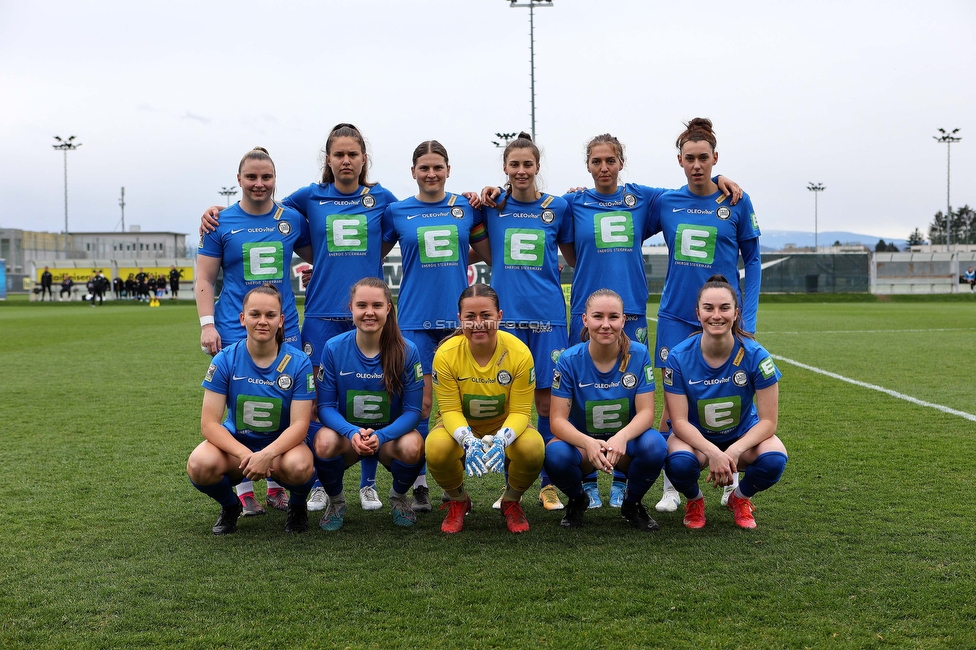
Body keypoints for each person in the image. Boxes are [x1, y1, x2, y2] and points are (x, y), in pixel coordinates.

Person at [201, 125, 399, 513]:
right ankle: (307, 484)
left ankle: (367, 484)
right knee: (292, 400)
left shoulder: (382, 198)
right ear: (328, 159)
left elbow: (395, 234)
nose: (346, 160)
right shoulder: (307, 198)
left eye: (353, 154)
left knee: (371, 396)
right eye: (338, 154)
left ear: (364, 159)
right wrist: (215, 211)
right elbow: (264, 209)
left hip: (362, 313)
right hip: (320, 315)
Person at [563, 133, 742, 509]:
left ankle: (625, 479)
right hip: (587, 309)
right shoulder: (572, 202)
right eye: (596, 161)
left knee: (630, 396)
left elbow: (694, 191)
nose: (604, 167)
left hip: (630, 311)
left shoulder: (645, 198)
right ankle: (590, 477)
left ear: (621, 162)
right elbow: (546, 221)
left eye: (610, 160)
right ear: (588, 165)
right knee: (583, 395)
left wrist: (722, 179)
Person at [196, 146, 314, 515]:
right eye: (252, 177)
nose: (259, 184)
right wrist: (206, 324)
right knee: (240, 406)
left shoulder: (291, 219)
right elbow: (204, 277)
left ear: (275, 180)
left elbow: (319, 254)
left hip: (285, 328)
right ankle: (245, 489)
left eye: (266, 177)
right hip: (236, 326)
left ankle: (278, 483)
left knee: (282, 403)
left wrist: (315, 276)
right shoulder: (220, 222)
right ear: (239, 180)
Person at [652, 118, 761, 514]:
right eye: (689, 158)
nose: (697, 164)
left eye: (704, 157)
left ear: (715, 158)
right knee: (673, 401)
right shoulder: (664, 201)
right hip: (676, 317)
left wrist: (746, 316)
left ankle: (730, 470)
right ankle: (671, 488)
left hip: (723, 317)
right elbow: (619, 203)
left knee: (729, 392)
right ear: (679, 160)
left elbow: (754, 260)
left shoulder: (736, 200)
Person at [381, 140, 490, 512]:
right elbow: (369, 252)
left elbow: (485, 249)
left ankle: (452, 483)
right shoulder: (397, 211)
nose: (431, 174)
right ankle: (423, 483)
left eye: (437, 167)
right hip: (413, 319)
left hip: (459, 321)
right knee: (423, 404)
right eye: (423, 168)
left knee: (456, 403)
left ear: (448, 169)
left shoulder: (466, 207)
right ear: (413, 171)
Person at [478, 132, 575, 511]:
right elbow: (475, 237)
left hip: (548, 317)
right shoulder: (491, 206)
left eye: (528, 164)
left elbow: (570, 255)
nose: (521, 171)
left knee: (549, 405)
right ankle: (511, 486)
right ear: (505, 168)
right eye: (514, 165)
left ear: (537, 167)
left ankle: (549, 485)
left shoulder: (559, 208)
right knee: (507, 404)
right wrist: (480, 194)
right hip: (506, 319)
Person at [186, 284, 317, 535]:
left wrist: (267, 454)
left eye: (270, 315)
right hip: (238, 446)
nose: (262, 321)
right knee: (199, 464)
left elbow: (300, 424)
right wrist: (248, 455)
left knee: (300, 466)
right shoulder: (225, 359)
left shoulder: (298, 362)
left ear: (281, 320)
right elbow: (209, 424)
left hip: (281, 449)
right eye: (255, 314)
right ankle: (230, 505)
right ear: (242, 319)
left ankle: (297, 506)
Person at [662, 275, 787, 530]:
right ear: (698, 313)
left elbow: (768, 422)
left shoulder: (756, 355)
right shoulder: (677, 357)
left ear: (736, 313)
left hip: (741, 436)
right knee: (677, 462)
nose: (716, 315)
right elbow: (679, 422)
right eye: (708, 308)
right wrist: (712, 452)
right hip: (695, 440)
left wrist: (732, 451)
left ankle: (739, 498)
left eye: (724, 308)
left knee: (775, 458)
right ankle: (695, 500)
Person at [426, 284, 544, 534]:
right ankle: (458, 500)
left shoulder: (520, 353)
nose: (478, 323)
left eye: (486, 315)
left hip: (505, 424)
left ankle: (511, 501)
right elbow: (449, 410)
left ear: (499, 316)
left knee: (533, 448)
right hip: (460, 425)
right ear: (460, 319)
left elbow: (522, 412)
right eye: (470, 317)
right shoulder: (445, 354)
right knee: (436, 448)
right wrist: (466, 439)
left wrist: (502, 439)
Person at [545, 289, 667, 530]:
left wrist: (621, 436)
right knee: (554, 454)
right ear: (585, 319)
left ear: (623, 320)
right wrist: (587, 442)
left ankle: (632, 503)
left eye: (613, 317)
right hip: (582, 447)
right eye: (598, 316)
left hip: (624, 446)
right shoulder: (569, 359)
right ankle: (578, 500)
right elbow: (557, 420)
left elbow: (646, 413)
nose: (605, 324)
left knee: (655, 445)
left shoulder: (639, 354)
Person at [312, 277, 426, 530]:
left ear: (388, 308)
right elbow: (325, 407)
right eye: (362, 305)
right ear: (351, 308)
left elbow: (414, 411)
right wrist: (351, 432)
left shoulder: (408, 350)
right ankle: (337, 502)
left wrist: (382, 436)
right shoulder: (333, 348)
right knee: (324, 441)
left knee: (413, 445)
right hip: (348, 438)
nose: (369, 312)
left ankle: (398, 498)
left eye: (376, 305)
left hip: (388, 439)